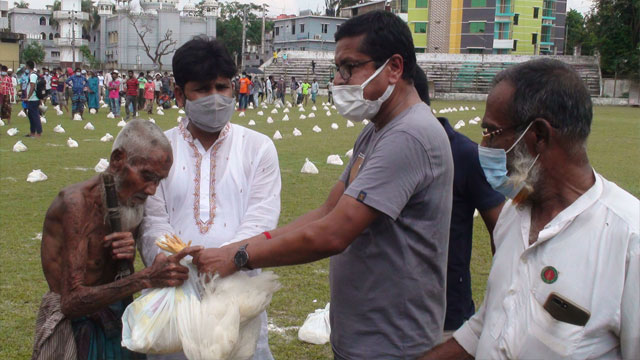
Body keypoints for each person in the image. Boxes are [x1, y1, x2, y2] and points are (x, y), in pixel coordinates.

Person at [190, 11, 454, 359]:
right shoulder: (376, 131)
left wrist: (239, 257)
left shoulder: (409, 135)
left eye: (349, 67)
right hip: (364, 333)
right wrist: (237, 247)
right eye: (338, 69)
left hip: (393, 342)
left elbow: (332, 234)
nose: (339, 80)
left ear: (394, 67)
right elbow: (326, 210)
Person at [420, 58, 640, 360]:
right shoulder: (514, 214)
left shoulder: (629, 241)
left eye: (492, 132)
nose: (483, 144)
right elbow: (489, 326)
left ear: (537, 135)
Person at [139, 37, 281, 360]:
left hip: (238, 300)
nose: (215, 98)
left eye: (222, 87)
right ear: (179, 95)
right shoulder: (158, 151)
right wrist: (165, 258)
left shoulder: (258, 148)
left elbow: (261, 218)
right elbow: (153, 221)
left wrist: (228, 258)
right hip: (174, 300)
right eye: (202, 89)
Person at [31, 119, 201, 360]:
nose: (152, 190)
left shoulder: (129, 201)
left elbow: (115, 275)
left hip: (116, 320)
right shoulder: (76, 205)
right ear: (117, 160)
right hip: (76, 328)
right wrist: (146, 277)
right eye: (147, 176)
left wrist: (127, 259)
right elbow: (71, 302)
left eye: (158, 181)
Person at [414, 67, 505, 340]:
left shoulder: (464, 154)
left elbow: (501, 229)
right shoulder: (384, 150)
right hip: (391, 310)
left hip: (446, 313)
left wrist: (502, 295)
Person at [24, 60, 42, 138]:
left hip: (33, 99)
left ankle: (38, 132)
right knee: (31, 116)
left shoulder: (33, 75)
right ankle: (32, 132)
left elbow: (32, 86)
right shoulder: (31, 74)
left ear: (28, 66)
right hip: (32, 99)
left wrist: (28, 96)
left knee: (35, 116)